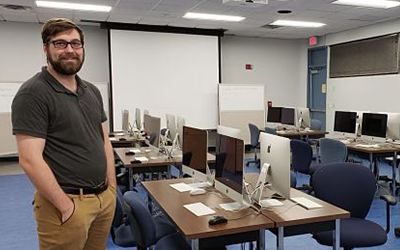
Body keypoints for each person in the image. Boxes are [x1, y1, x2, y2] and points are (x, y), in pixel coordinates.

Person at [11, 18, 116, 250]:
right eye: (60, 43)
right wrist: (66, 206)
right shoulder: (33, 93)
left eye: (75, 44)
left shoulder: (92, 91)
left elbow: (103, 141)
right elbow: (29, 159)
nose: (70, 50)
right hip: (66, 204)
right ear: (46, 48)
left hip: (102, 200)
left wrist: (111, 189)